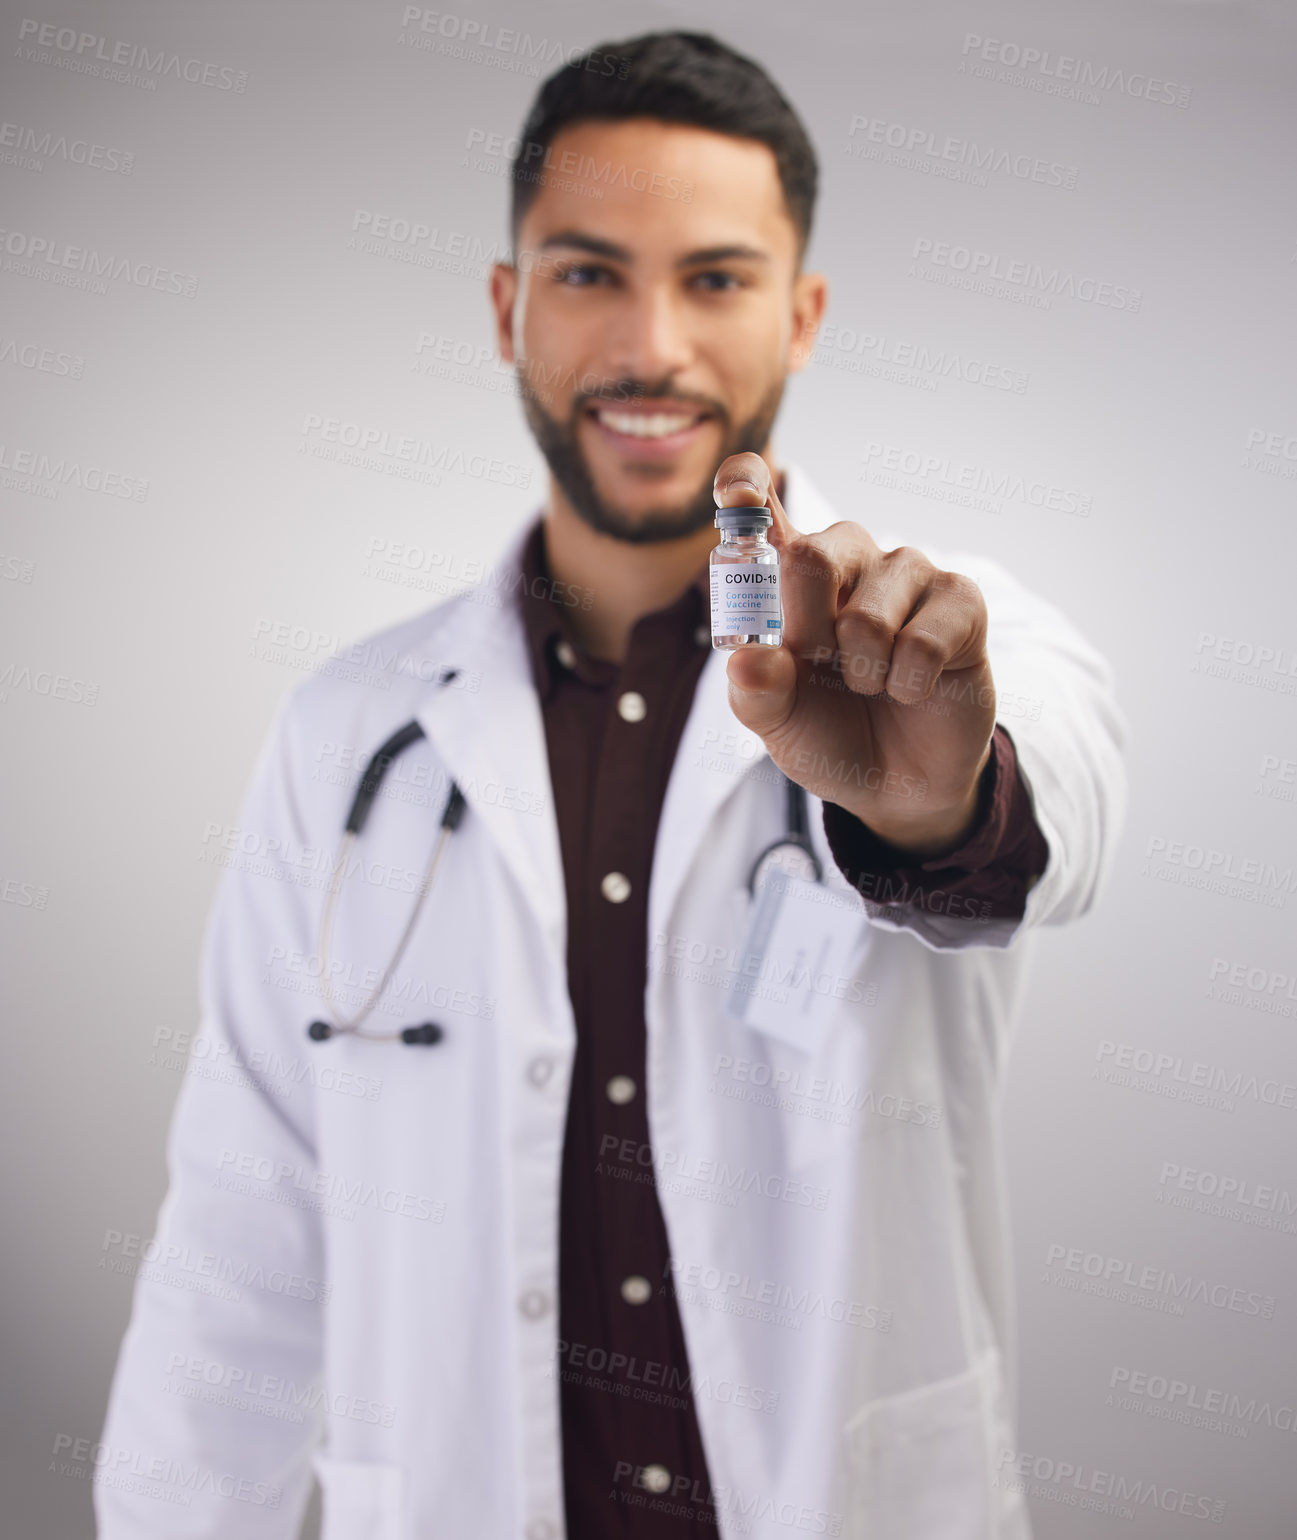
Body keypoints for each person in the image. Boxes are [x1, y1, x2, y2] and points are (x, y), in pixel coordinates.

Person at [96, 29, 1125, 1540]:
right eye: (586, 273)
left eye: (715, 278)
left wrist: (928, 808)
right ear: (508, 309)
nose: (650, 344)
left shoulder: (947, 643)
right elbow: (239, 1245)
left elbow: (1062, 807)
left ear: (802, 313)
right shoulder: (346, 735)